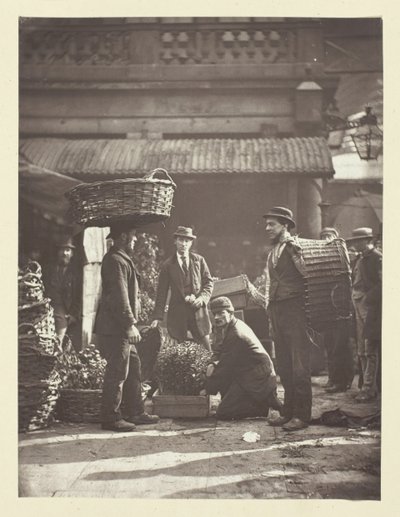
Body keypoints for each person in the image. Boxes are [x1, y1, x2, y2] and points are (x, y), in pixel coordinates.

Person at [94, 222, 159, 432]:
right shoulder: (114, 261)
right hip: (115, 329)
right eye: (133, 234)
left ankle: (135, 412)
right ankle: (110, 418)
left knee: (134, 367)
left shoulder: (121, 259)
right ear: (122, 237)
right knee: (118, 371)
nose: (136, 239)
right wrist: (130, 324)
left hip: (118, 327)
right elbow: (120, 298)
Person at [264, 206, 311, 431]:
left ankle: (302, 416)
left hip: (294, 310)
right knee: (284, 364)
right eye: (267, 224)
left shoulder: (293, 247)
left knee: (298, 364)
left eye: (272, 224)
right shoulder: (274, 251)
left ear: (285, 225)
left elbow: (308, 276)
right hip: (277, 310)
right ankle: (288, 412)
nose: (267, 228)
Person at [205, 296, 282, 420]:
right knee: (223, 380)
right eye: (214, 314)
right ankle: (254, 400)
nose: (216, 317)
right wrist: (212, 363)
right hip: (247, 372)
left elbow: (225, 366)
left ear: (230, 312)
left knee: (223, 413)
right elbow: (219, 349)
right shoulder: (228, 326)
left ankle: (263, 407)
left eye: (221, 313)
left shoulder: (236, 333)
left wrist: (207, 389)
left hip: (258, 377)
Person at [151, 226, 214, 350]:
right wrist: (157, 317)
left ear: (191, 243)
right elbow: (161, 293)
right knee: (180, 352)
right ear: (175, 241)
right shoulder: (168, 265)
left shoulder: (199, 261)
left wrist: (201, 299)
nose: (184, 244)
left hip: (198, 313)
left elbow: (208, 283)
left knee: (207, 350)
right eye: (181, 240)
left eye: (187, 241)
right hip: (178, 315)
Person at [347, 227, 382, 402]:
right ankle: (366, 386)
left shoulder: (377, 257)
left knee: (369, 348)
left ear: (366, 241)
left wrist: (369, 298)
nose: (355, 244)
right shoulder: (360, 258)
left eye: (358, 241)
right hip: (357, 304)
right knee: (361, 347)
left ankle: (369, 388)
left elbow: (384, 283)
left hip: (370, 307)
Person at [319, 227, 354, 393]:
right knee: (330, 344)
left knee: (341, 346)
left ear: (336, 237)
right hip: (328, 307)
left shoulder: (344, 254)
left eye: (329, 236)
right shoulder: (321, 257)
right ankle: (333, 378)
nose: (326, 239)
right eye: (323, 236)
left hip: (342, 308)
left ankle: (343, 381)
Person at [44, 237, 81, 350]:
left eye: (68, 250)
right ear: (57, 252)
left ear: (72, 253)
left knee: (58, 343)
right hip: (46, 310)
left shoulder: (76, 273)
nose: (64, 253)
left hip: (65, 312)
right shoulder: (48, 269)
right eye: (62, 250)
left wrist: (74, 314)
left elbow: (79, 296)